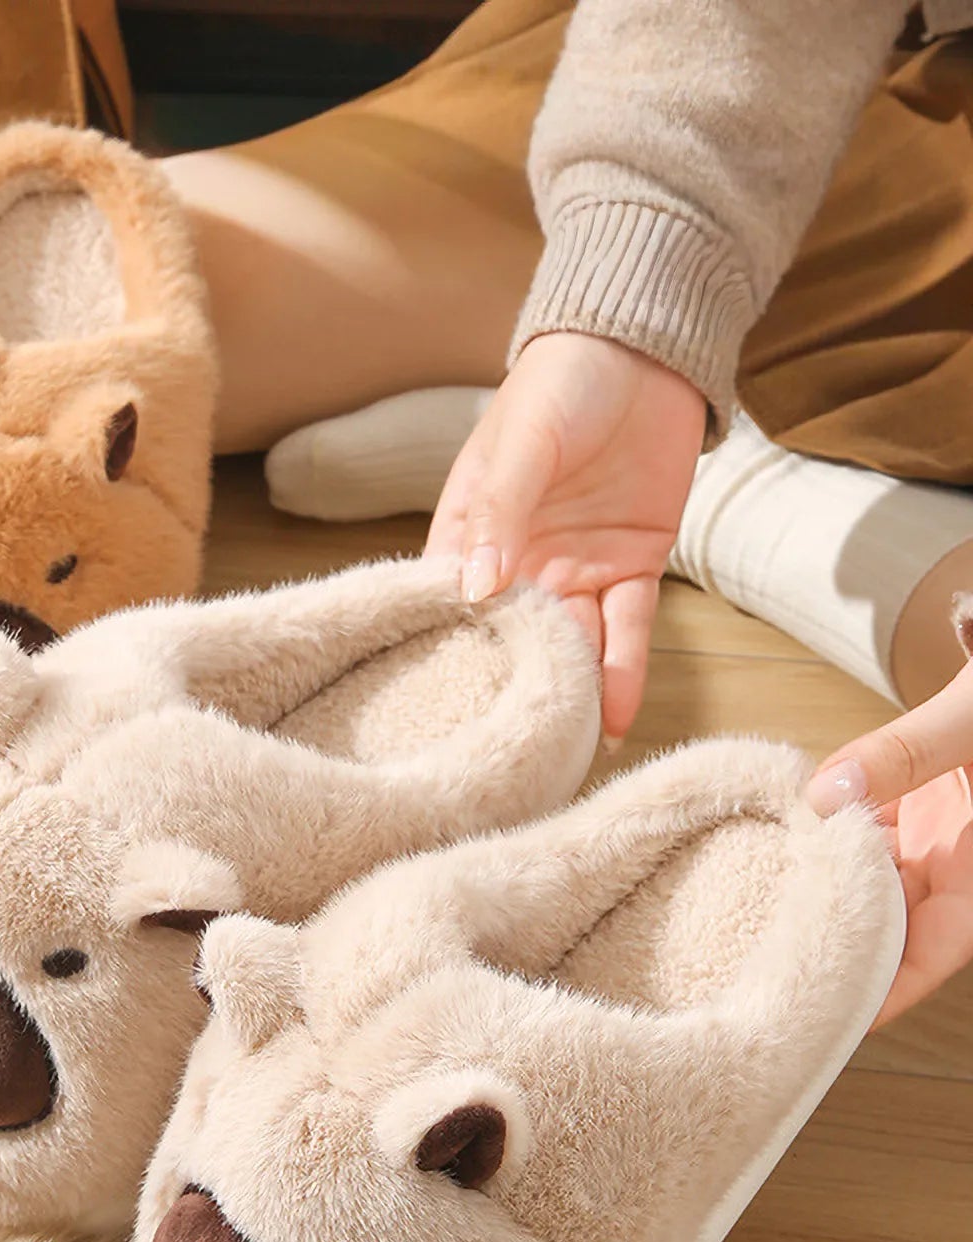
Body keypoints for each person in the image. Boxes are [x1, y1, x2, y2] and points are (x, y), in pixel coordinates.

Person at [162, 0, 973, 1022]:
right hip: (782, 61)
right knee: (102, 304)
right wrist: (637, 278)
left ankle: (739, 500)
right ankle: (618, 380)